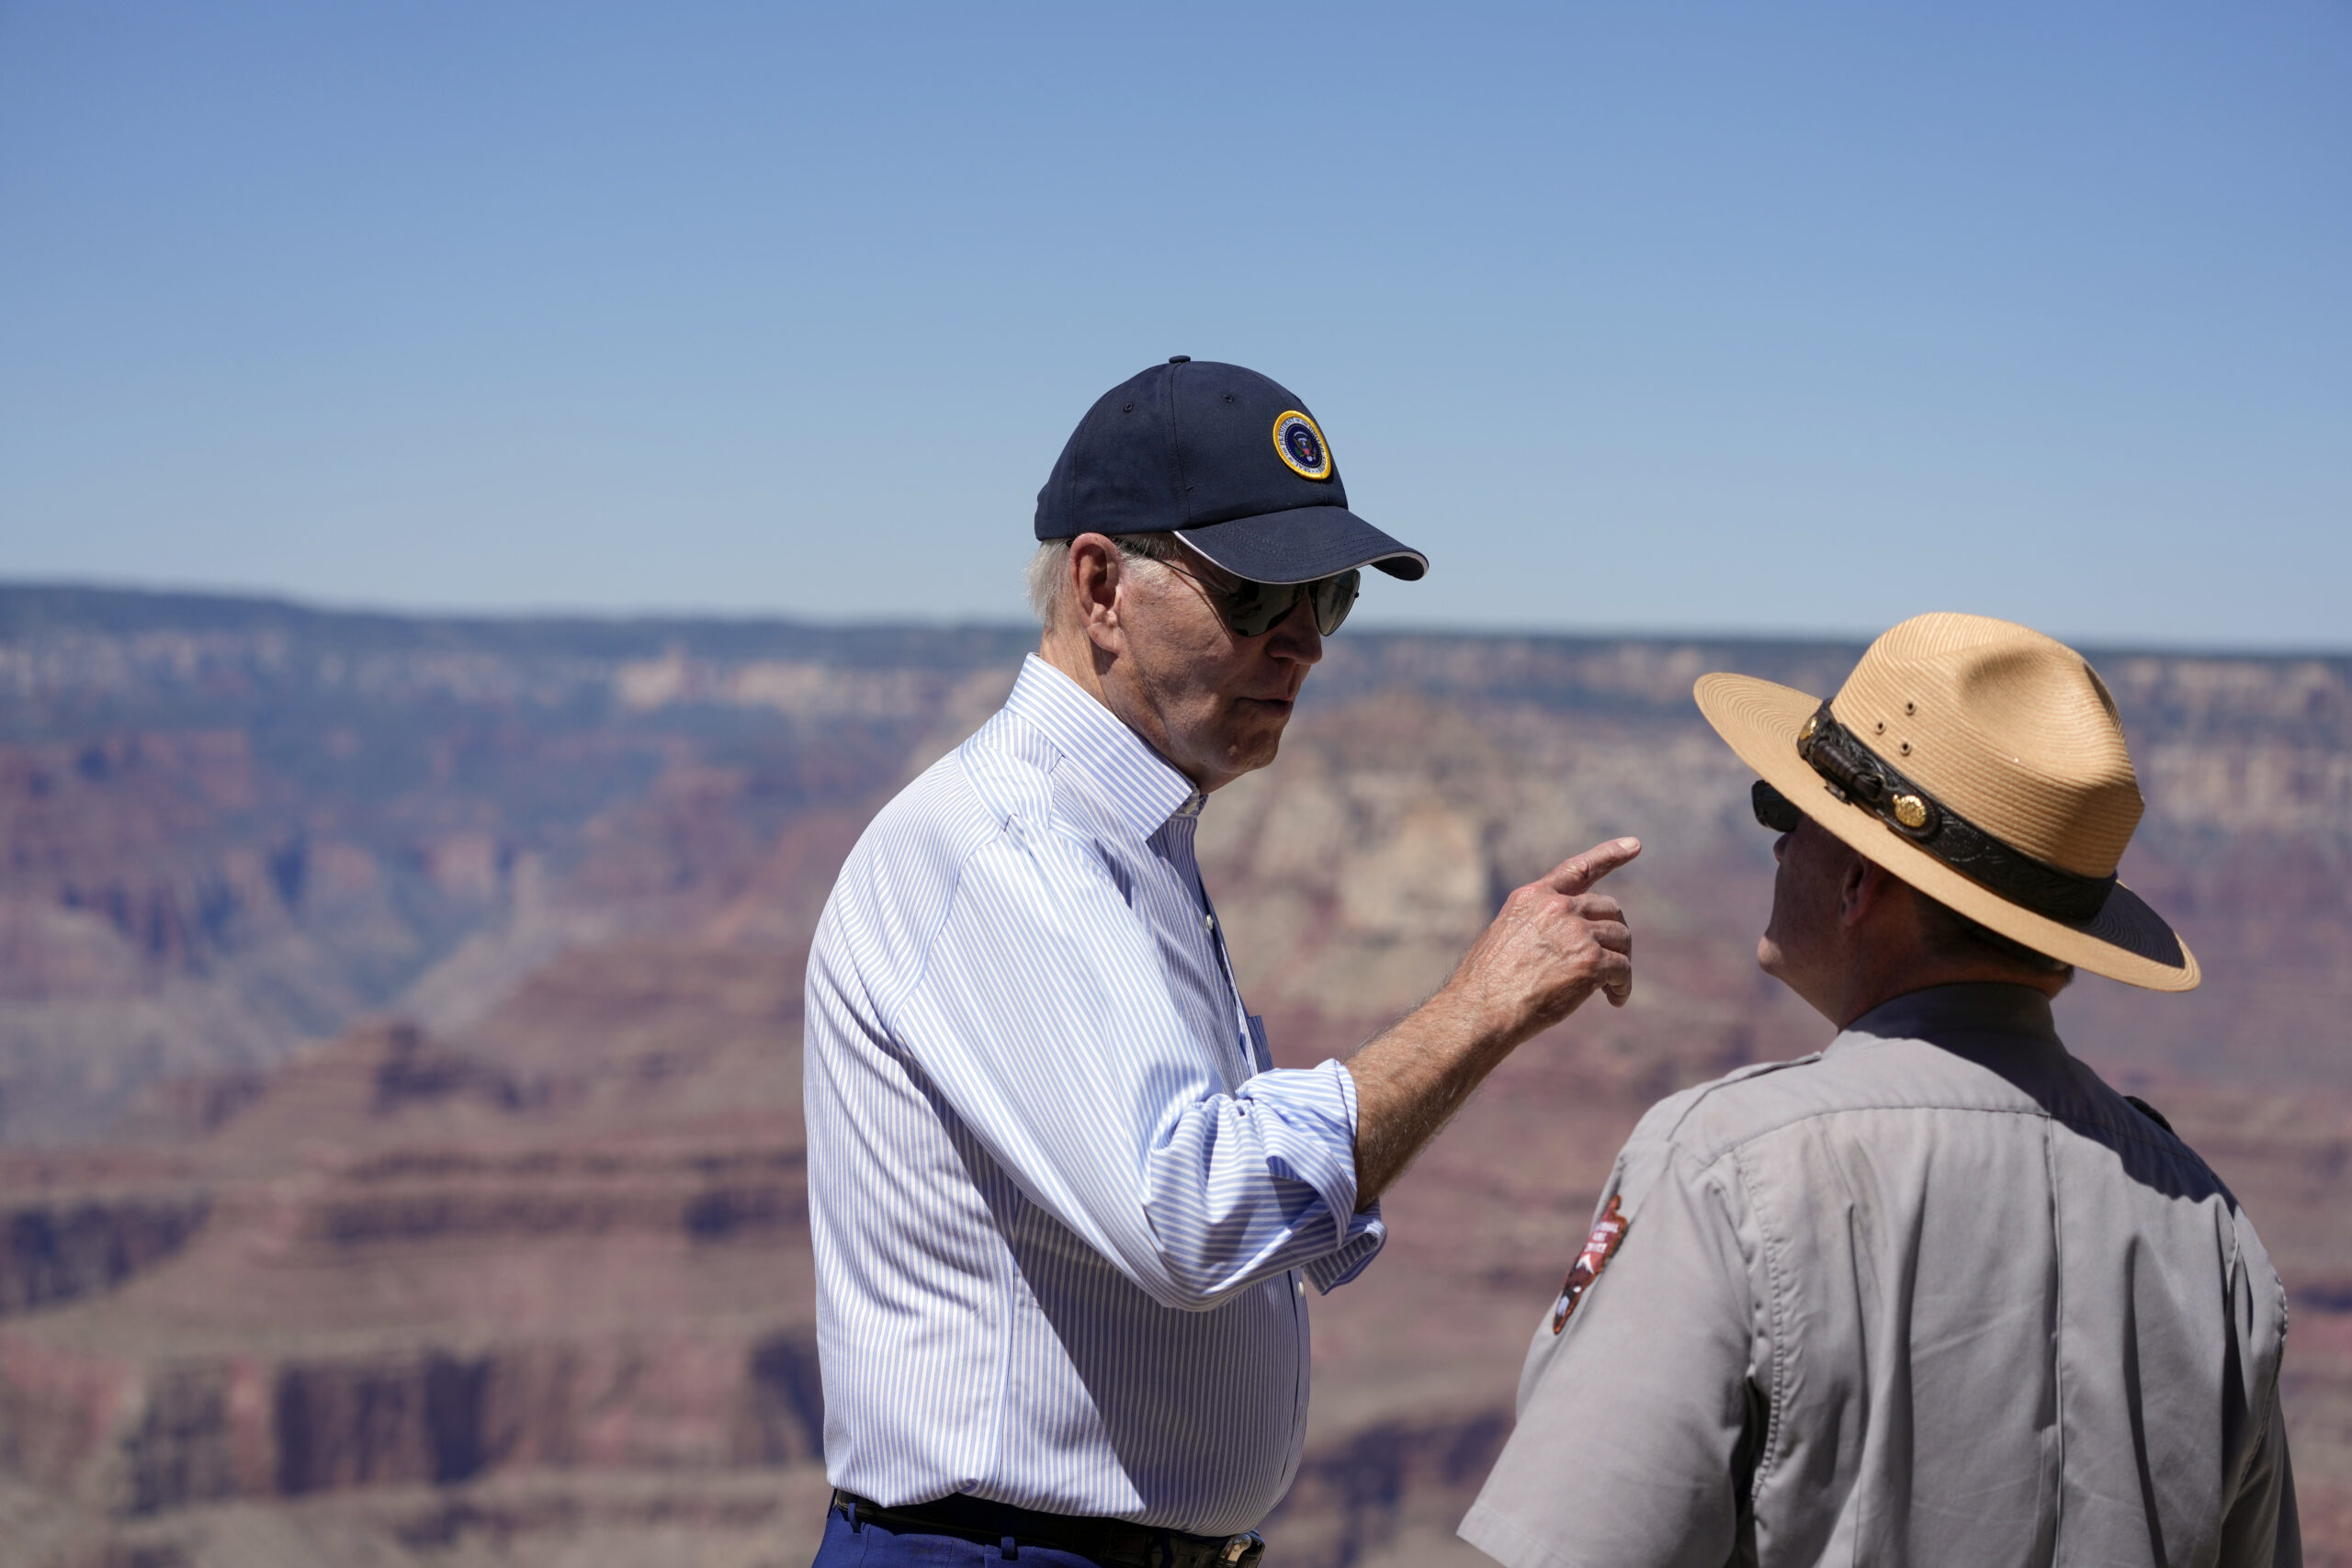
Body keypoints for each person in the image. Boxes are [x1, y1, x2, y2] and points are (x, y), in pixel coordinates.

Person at [803, 357, 1641, 1567]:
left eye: (1331, 596)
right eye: (1259, 595)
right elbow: (1195, 1214)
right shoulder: (1007, 849)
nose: (1303, 644)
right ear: (1101, 585)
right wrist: (1480, 1004)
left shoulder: (1126, 840)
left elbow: (1265, 1224)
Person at [1461, 612, 2300, 1568]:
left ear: (1860, 881)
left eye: (1786, 813)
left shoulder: (1728, 1164)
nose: (1774, 848)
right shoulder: (2211, 1229)